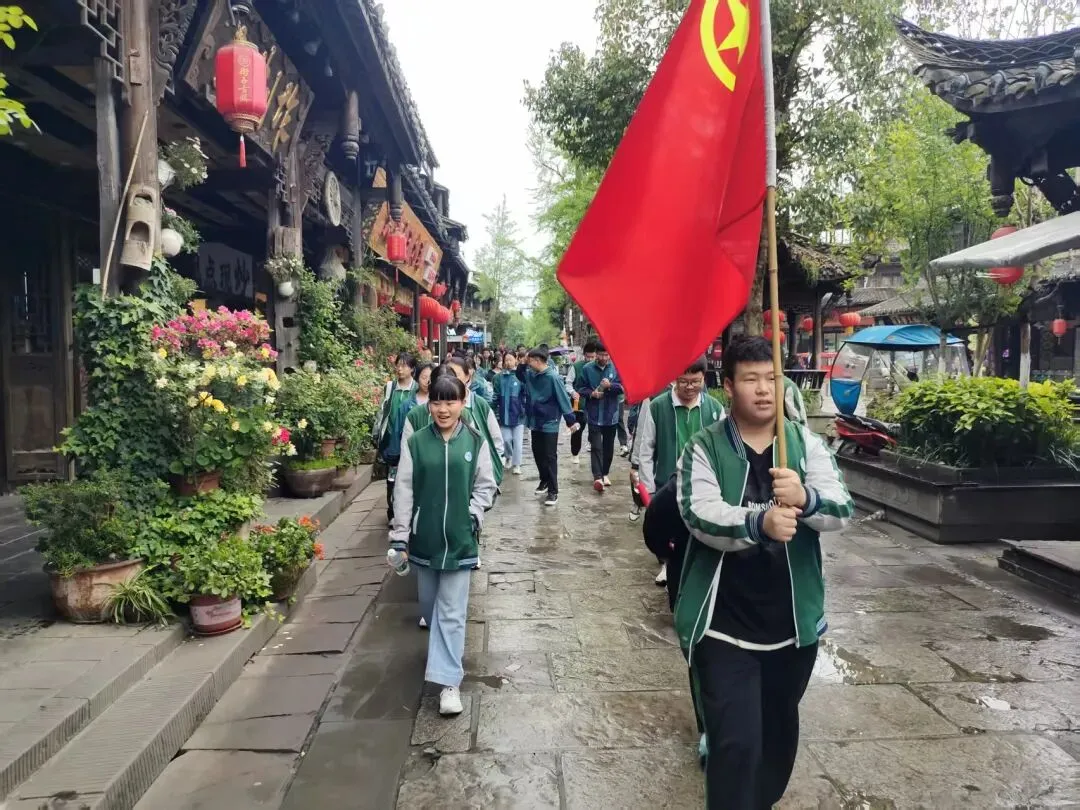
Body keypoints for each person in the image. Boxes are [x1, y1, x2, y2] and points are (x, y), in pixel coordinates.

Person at [675, 336, 853, 809]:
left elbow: (841, 507)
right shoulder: (703, 447)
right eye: (750, 378)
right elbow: (699, 513)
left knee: (776, 744)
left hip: (790, 629)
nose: (763, 389)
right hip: (723, 628)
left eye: (772, 377)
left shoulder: (804, 444)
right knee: (735, 744)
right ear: (727, 385)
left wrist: (805, 498)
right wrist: (759, 521)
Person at [390, 373, 497, 717]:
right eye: (437, 401)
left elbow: (486, 485)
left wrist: (473, 514)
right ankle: (442, 657)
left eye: (451, 401)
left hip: (462, 541)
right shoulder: (417, 442)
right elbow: (403, 489)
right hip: (425, 541)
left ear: (464, 403)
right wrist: (401, 535)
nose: (443, 408)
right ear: (429, 404)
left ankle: (449, 684)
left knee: (451, 612)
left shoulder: (475, 441)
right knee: (430, 608)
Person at [634, 356, 725, 584]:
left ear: (704, 378)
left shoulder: (714, 409)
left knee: (697, 527)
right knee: (668, 528)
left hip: (702, 482)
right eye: (684, 381)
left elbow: (724, 449)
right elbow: (646, 449)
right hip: (668, 480)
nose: (690, 387)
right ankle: (668, 564)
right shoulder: (658, 406)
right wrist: (649, 488)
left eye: (696, 381)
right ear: (674, 379)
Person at [403, 359, 505, 489]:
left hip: (463, 493)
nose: (443, 410)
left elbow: (490, 444)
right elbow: (405, 473)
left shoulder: (470, 413)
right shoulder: (415, 417)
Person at [525, 347, 579, 506]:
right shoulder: (530, 374)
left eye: (529, 361)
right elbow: (520, 374)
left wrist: (571, 421)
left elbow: (563, 398)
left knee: (549, 456)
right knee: (537, 452)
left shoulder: (553, 377)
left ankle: (553, 491)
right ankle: (544, 480)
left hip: (550, 422)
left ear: (537, 361)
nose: (527, 364)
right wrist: (521, 364)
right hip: (535, 421)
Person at [374, 352, 419, 525]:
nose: (400, 369)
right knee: (392, 478)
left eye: (404, 365)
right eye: (398, 365)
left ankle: (408, 509)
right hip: (391, 440)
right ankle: (392, 512)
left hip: (408, 440)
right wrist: (377, 433)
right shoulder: (390, 387)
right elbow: (382, 411)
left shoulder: (416, 389)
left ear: (412, 369)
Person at [575, 342, 624, 493]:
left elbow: (623, 387)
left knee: (608, 447)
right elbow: (580, 388)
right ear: (596, 354)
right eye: (601, 355)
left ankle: (605, 473)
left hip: (611, 414)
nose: (604, 358)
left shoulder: (616, 367)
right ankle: (597, 477)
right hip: (594, 414)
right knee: (596, 446)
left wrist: (610, 386)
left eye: (607, 355)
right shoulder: (587, 369)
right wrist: (592, 393)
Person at [493, 352, 527, 475]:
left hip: (518, 415)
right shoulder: (498, 377)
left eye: (510, 360)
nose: (508, 362)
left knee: (517, 442)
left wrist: (524, 408)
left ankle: (517, 464)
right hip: (503, 415)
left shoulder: (521, 376)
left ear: (516, 361)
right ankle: (508, 456)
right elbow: (495, 395)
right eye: (505, 360)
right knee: (506, 440)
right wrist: (493, 410)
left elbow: (525, 394)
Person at [564, 340, 596, 465]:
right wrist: (573, 392)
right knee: (578, 430)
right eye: (588, 357)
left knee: (595, 429)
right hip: (579, 404)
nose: (590, 359)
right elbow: (568, 383)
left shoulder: (599, 367)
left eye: (593, 357)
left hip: (594, 404)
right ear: (584, 355)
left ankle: (593, 448)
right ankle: (575, 453)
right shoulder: (576, 367)